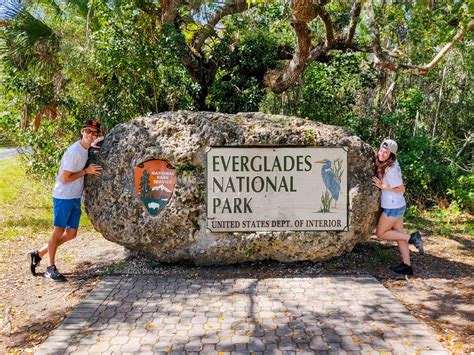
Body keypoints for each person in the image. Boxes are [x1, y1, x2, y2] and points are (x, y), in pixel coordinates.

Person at [27, 120, 103, 281]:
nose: (90, 135)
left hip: (75, 197)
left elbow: (94, 143)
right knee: (58, 232)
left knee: (71, 234)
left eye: (94, 133)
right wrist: (86, 171)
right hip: (63, 196)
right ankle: (50, 268)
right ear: (82, 131)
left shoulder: (86, 148)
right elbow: (65, 178)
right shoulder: (75, 151)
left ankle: (38, 254)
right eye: (88, 131)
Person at [372, 139, 424, 275]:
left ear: (391, 155)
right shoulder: (387, 164)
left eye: (386, 153)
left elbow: (401, 189)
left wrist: (382, 186)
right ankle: (407, 266)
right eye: (381, 150)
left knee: (380, 233)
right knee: (398, 235)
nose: (382, 154)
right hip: (398, 205)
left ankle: (412, 238)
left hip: (392, 207)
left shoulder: (391, 169)